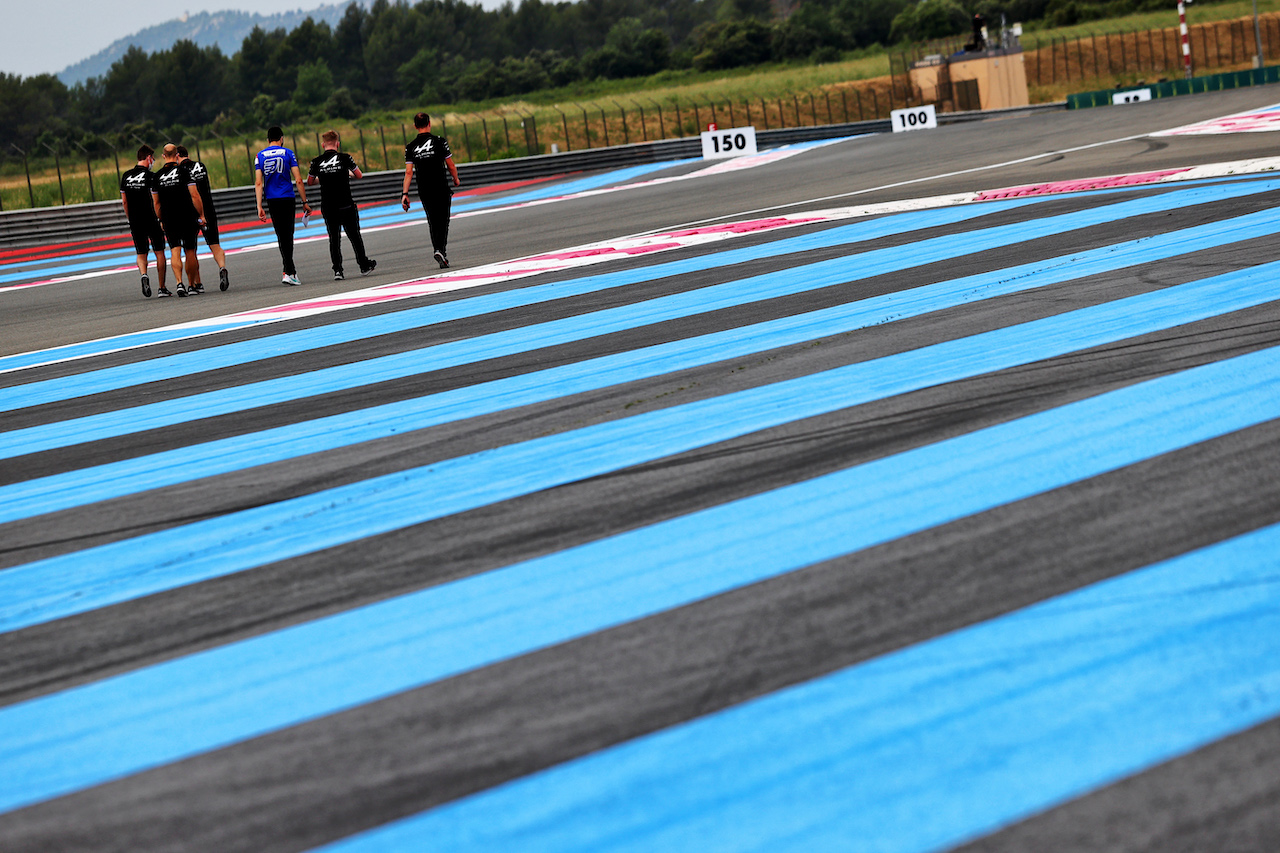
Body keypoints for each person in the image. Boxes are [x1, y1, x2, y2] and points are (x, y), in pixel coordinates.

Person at [307, 130, 376, 281]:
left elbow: (310, 181)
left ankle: (338, 270)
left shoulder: (316, 161)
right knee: (354, 236)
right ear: (338, 143)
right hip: (346, 204)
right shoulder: (345, 158)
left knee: (334, 238)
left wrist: (324, 176)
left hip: (328, 206)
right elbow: (359, 175)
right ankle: (363, 265)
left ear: (323, 144)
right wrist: (346, 174)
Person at [401, 111, 461, 269]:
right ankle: (440, 250)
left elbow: (408, 172)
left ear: (415, 126)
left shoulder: (411, 146)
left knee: (432, 220)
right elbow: (451, 165)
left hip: (424, 188)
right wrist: (455, 179)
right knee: (443, 220)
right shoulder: (440, 141)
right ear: (429, 124)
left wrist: (405, 194)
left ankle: (438, 249)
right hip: (441, 185)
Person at [255, 126, 311, 285]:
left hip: (272, 200)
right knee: (288, 235)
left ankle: (288, 270)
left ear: (267, 140)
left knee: (281, 235)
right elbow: (298, 179)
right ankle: (289, 271)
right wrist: (305, 202)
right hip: (287, 197)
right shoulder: (288, 153)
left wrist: (259, 206)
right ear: (281, 138)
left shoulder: (259, 156)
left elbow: (259, 183)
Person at [151, 143, 205, 298]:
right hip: (187, 215)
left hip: (169, 217)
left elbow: (156, 203)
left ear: (163, 156)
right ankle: (191, 285)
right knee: (190, 250)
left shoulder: (157, 176)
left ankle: (178, 283)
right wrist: (201, 214)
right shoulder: (185, 172)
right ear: (176, 155)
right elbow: (195, 195)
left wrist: (161, 218)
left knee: (175, 249)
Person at [176, 144, 230, 291]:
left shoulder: (179, 171)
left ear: (177, 156)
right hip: (209, 209)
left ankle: (195, 284)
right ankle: (222, 267)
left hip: (191, 212)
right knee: (214, 244)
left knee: (191, 250)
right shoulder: (201, 166)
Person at [119, 145, 167, 298]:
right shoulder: (152, 176)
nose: (153, 161)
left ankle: (144, 275)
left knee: (141, 252)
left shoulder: (126, 176)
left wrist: (129, 218)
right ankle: (162, 287)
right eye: (152, 158)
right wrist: (160, 217)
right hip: (151, 218)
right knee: (159, 252)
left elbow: (124, 202)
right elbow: (157, 200)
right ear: (148, 158)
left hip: (135, 219)